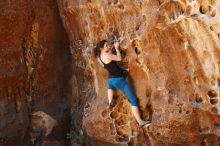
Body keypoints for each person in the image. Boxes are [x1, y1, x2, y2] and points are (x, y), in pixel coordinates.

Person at [94, 39, 151, 127]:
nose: (108, 46)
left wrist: (110, 49)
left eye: (108, 45)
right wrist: (116, 48)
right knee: (133, 100)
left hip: (111, 80)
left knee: (110, 88)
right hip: (118, 80)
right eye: (106, 46)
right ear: (101, 48)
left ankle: (110, 101)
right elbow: (119, 58)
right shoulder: (106, 54)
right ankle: (140, 122)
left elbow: (108, 61)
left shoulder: (99, 57)